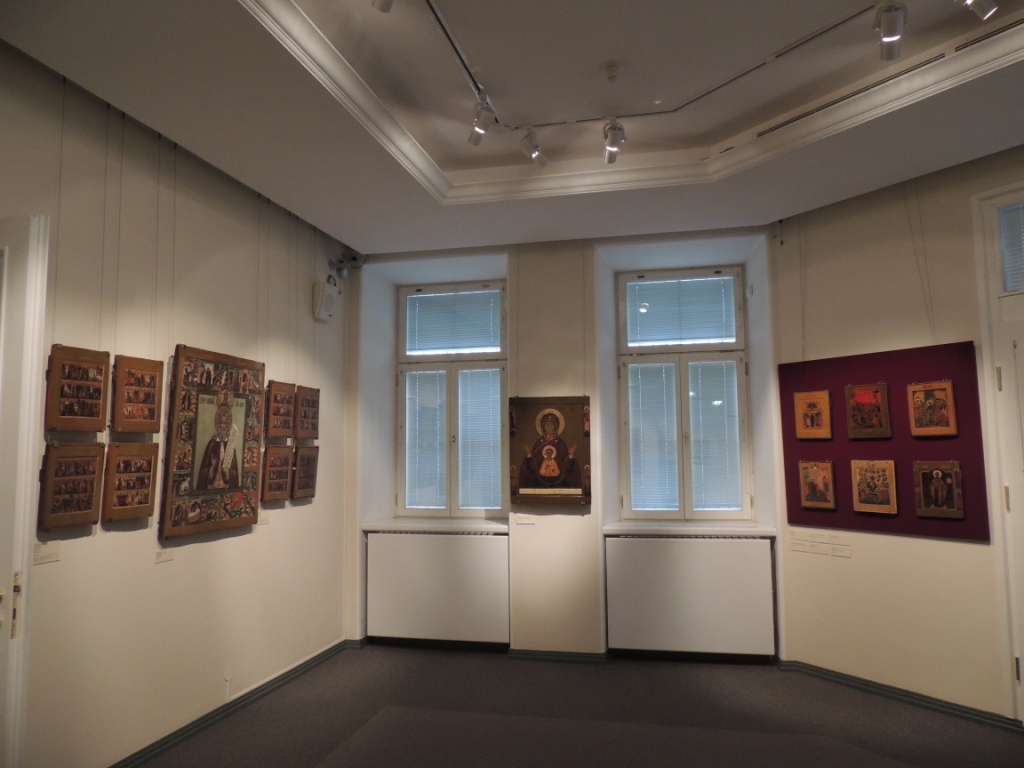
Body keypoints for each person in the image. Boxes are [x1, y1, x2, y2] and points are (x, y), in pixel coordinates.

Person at [518, 410, 581, 490]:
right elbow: (532, 467)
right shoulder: (539, 443)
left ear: (555, 426)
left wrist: (571, 455)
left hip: (559, 481)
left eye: (551, 425)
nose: (549, 427)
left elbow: (568, 467)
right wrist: (529, 455)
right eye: (547, 425)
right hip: (540, 481)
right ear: (543, 427)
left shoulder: (560, 443)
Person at [196, 397, 240, 490]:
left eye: (225, 424)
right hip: (212, 486)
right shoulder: (212, 444)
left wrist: (228, 472)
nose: (222, 426)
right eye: (220, 423)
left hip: (225, 486)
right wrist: (211, 469)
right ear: (217, 424)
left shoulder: (230, 445)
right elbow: (202, 473)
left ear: (228, 425)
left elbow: (235, 473)